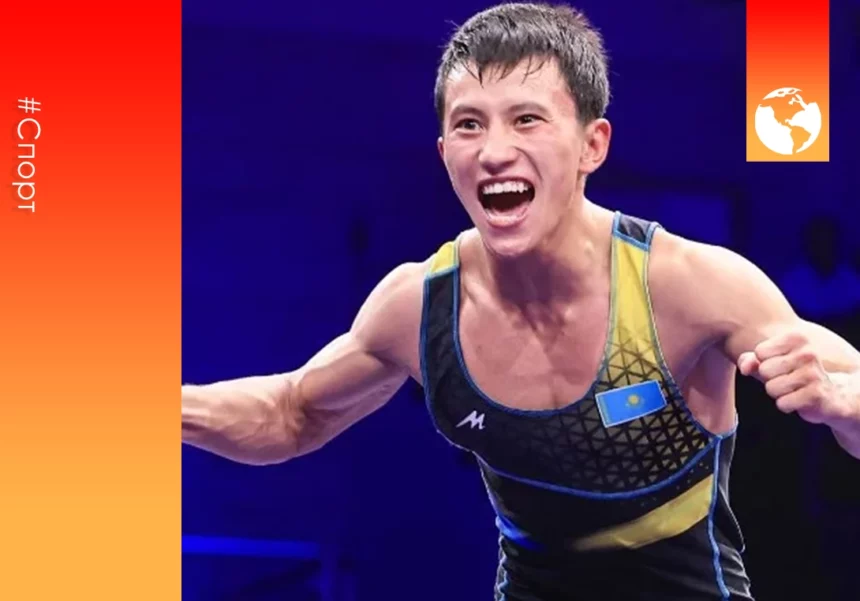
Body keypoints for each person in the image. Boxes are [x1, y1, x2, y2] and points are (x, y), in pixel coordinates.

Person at [182, 3, 860, 600]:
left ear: (592, 145)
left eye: (526, 119)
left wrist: (839, 404)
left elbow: (850, 385)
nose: (494, 152)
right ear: (444, 152)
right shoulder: (420, 306)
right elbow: (293, 412)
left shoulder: (688, 284)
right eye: (469, 125)